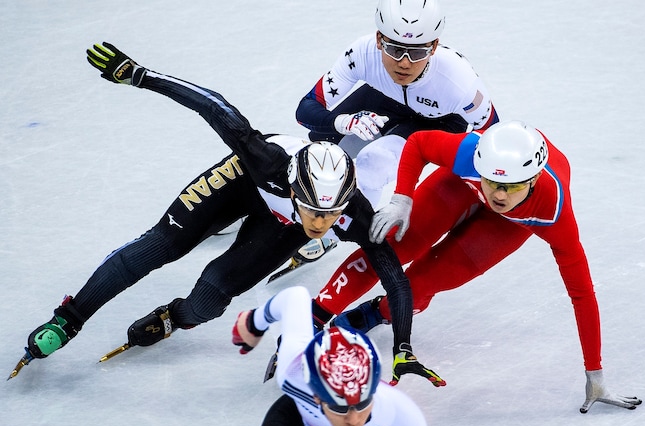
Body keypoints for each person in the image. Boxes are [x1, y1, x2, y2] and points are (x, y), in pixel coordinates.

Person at [12, 42, 443, 388]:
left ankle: (172, 317)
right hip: (244, 182)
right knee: (163, 244)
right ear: (295, 188)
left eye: (331, 216)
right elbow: (214, 106)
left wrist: (403, 348)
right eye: (313, 210)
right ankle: (69, 318)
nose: (321, 224)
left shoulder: (356, 215)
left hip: (278, 223)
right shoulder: (268, 160)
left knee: (208, 301)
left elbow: (396, 279)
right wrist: (141, 76)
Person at [310, 120, 643, 412]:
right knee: (392, 244)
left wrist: (594, 375)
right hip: (461, 185)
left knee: (420, 285)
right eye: (493, 182)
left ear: (534, 178)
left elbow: (582, 294)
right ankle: (318, 315)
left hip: (511, 224)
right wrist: (402, 199)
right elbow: (419, 144)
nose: (498, 194)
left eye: (511, 186)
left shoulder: (553, 214)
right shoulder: (468, 152)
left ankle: (374, 313)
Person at [280, 0, 500, 273]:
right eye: (395, 49)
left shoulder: (459, 82)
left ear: (433, 47)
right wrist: (344, 122)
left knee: (374, 162)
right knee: (324, 141)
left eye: (417, 53)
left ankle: (329, 233)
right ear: (378, 40)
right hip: (388, 98)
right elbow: (305, 110)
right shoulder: (361, 53)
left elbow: (492, 136)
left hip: (438, 119)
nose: (404, 63)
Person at [233, 286, 429, 426]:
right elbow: (295, 297)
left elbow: (294, 299)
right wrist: (253, 322)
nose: (353, 420)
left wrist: (255, 323)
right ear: (316, 396)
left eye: (362, 404)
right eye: (339, 406)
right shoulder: (293, 373)